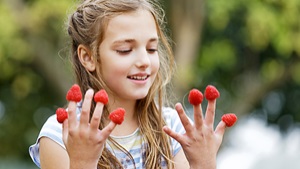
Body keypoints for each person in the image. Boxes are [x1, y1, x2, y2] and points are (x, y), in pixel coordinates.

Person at [29, 0, 227, 168]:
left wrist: (204, 163)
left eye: (151, 49)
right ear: (87, 57)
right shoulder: (60, 134)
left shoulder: (173, 128)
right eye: (125, 50)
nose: (144, 61)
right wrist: (82, 162)